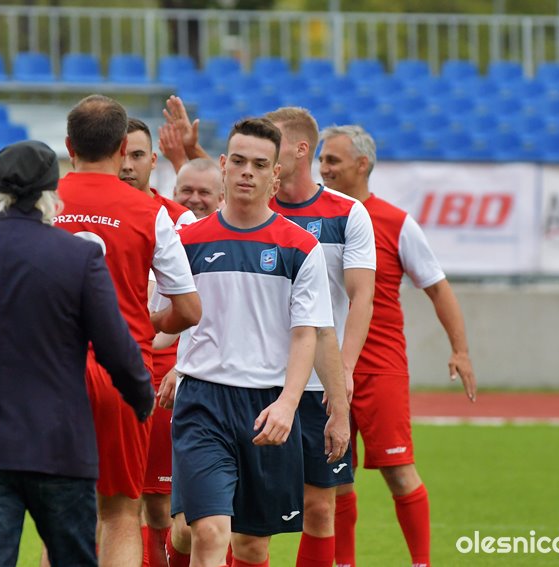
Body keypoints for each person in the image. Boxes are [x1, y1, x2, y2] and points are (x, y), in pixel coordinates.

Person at [0, 140, 156, 567]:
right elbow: (115, 347)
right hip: (58, 441)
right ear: (51, 190)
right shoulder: (79, 256)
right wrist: (141, 396)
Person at [159, 118, 345, 567]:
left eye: (259, 165)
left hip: (266, 404)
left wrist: (289, 404)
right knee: (207, 530)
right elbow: (159, 319)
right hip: (203, 400)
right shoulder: (185, 242)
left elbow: (308, 333)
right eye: (239, 161)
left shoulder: (299, 247)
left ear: (274, 174)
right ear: (223, 165)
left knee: (251, 545)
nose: (247, 172)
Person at [318, 125, 478, 567]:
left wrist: (460, 350)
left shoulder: (395, 222)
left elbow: (438, 288)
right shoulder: (315, 217)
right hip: (326, 369)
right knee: (335, 478)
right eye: (322, 159)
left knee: (398, 471)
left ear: (362, 164)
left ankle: (421, 563)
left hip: (379, 368)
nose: (323, 168)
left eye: (333, 160)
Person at [54, 94, 202, 567]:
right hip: (122, 371)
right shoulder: (149, 212)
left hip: (52, 370)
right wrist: (145, 320)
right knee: (121, 512)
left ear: (69, 146)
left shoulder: (43, 201)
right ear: (122, 149)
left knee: (62, 512)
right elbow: (189, 309)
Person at [264, 107, 376, 567]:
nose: (263, 153)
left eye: (272, 143)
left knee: (319, 508)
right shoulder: (251, 211)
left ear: (299, 149)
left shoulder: (348, 213)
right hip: (255, 381)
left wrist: (343, 370)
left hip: (317, 387)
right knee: (240, 520)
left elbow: (362, 296)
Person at [118, 116, 197, 567]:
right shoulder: (92, 215)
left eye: (137, 155)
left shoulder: (177, 219)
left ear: (153, 160)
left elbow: (196, 304)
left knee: (160, 504)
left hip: (163, 372)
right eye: (121, 154)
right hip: (104, 372)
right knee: (110, 501)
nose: (128, 165)